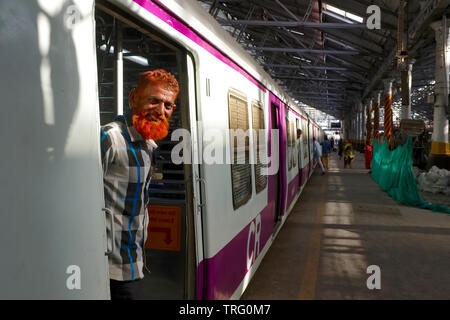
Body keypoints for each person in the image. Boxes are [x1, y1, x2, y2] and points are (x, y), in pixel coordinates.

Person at [100, 69, 179, 300]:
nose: (161, 110)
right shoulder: (110, 138)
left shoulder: (147, 144)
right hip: (109, 267)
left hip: (132, 260)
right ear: (133, 98)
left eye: (168, 105)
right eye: (154, 100)